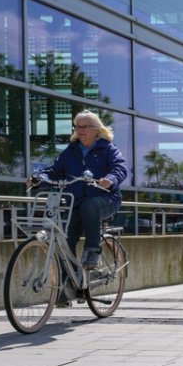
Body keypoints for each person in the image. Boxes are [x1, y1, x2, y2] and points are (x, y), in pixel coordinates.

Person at [28, 111, 128, 272]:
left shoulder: (108, 149)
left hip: (105, 199)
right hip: (76, 202)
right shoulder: (70, 151)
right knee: (64, 240)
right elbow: (56, 171)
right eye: (77, 127)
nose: (80, 130)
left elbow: (119, 169)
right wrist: (39, 178)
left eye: (85, 127)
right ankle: (69, 286)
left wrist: (110, 180)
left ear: (97, 130)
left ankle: (93, 250)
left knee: (90, 206)